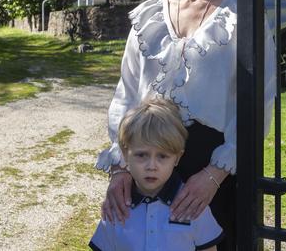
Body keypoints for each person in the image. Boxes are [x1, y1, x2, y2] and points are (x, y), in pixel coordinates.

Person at [96, 0, 276, 250]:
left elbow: (259, 102)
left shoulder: (244, 16)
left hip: (213, 174)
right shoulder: (147, 17)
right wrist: (119, 169)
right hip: (149, 167)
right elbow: (126, 97)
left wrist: (214, 176)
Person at [90, 98, 224, 251]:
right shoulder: (117, 206)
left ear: (177, 157)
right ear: (125, 154)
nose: (151, 166)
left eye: (162, 156)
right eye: (141, 155)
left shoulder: (191, 204)